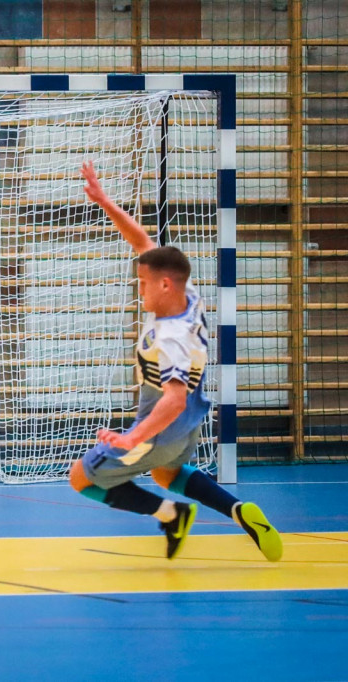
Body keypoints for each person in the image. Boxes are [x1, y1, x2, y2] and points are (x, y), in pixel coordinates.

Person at [69, 161, 282, 561]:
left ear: (164, 284)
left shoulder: (171, 337)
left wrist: (133, 438)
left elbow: (173, 399)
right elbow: (144, 243)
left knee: (81, 477)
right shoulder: (188, 298)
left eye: (143, 283)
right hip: (191, 422)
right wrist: (105, 202)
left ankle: (171, 514)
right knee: (166, 472)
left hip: (162, 424)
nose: (140, 289)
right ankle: (236, 511)